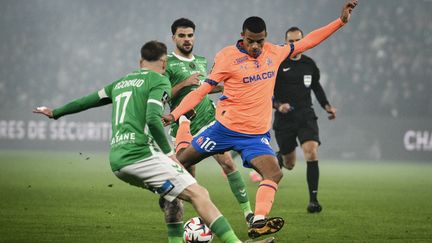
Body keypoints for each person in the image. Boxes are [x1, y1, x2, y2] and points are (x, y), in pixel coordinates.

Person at [32, 41, 272, 243]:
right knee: (200, 193)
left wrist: (56, 112)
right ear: (164, 63)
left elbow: (88, 100)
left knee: (173, 198)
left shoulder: (121, 82)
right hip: (142, 154)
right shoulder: (159, 81)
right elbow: (152, 119)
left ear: (140, 62)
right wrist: (169, 155)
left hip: (117, 160)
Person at [162, 0, 358, 239]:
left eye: (260, 40)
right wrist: (174, 114)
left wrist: (340, 21)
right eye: (251, 40)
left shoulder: (274, 52)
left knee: (274, 173)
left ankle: (258, 222)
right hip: (223, 129)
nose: (255, 45)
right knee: (179, 164)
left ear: (266, 37)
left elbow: (308, 41)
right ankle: (169, 186)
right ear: (242, 36)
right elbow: (201, 91)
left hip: (255, 136)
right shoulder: (226, 57)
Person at [160, 18, 253, 230]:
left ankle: (248, 213)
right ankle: (177, 223)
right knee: (187, 179)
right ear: (173, 38)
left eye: (190, 35)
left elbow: (204, 88)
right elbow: (163, 96)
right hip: (184, 125)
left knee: (228, 163)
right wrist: (185, 83)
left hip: (209, 121)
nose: (186, 39)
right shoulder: (169, 64)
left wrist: (224, 88)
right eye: (182, 35)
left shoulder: (202, 60)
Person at [273, 27, 337, 214]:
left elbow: (316, 87)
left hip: (305, 115)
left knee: (311, 152)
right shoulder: (278, 64)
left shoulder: (309, 64)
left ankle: (313, 201)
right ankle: (280, 157)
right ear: (286, 42)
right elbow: (267, 91)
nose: (295, 44)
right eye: (291, 41)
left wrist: (327, 106)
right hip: (284, 118)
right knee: (290, 164)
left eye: (299, 40)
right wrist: (278, 106)